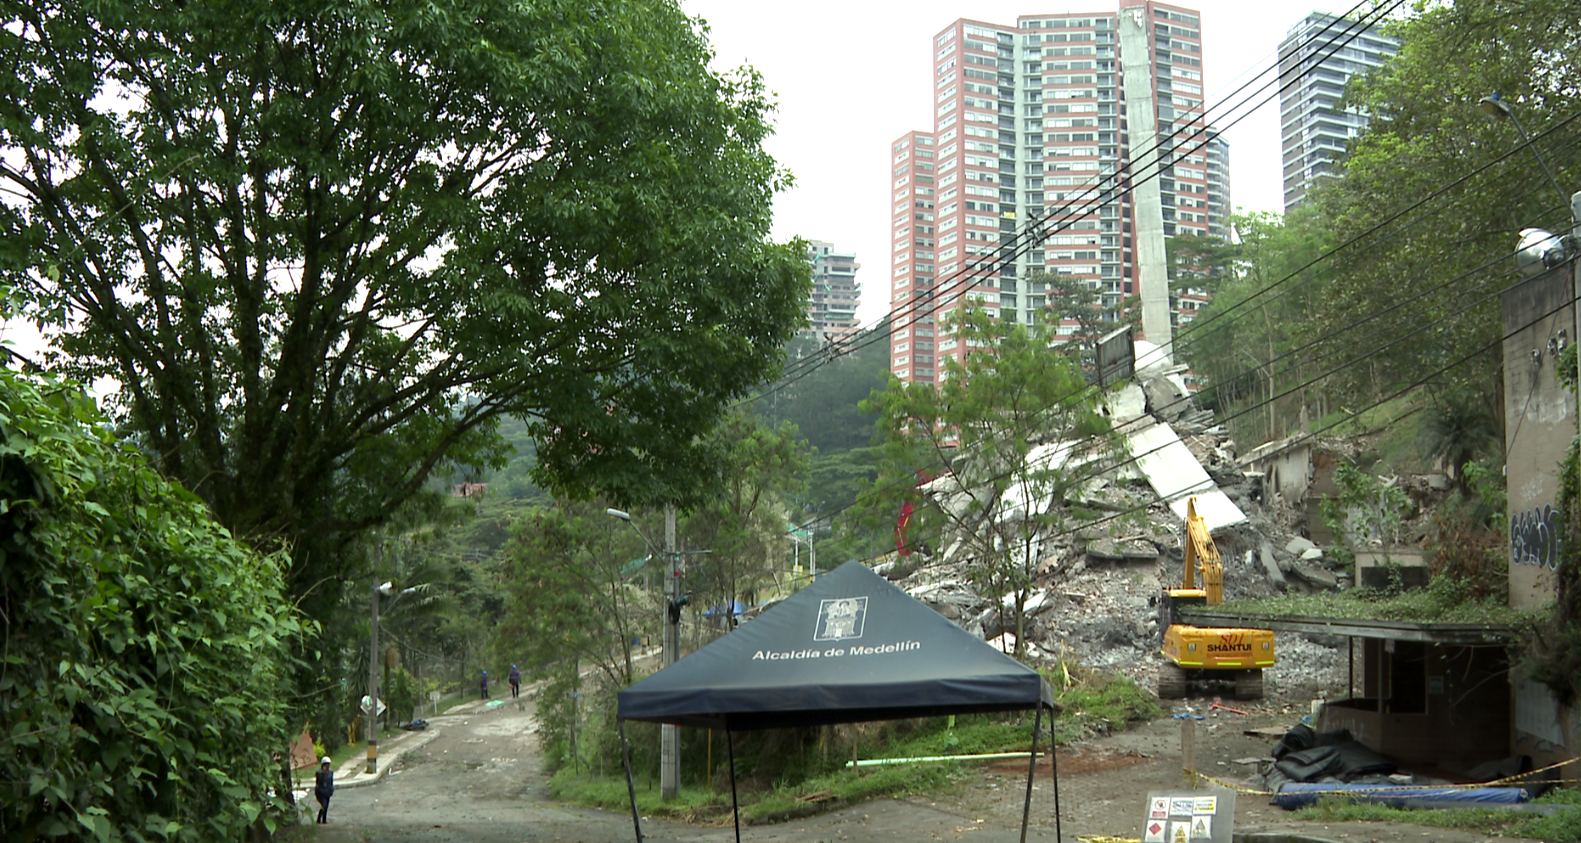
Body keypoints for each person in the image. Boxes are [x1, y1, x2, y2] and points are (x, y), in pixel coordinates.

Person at [314, 757, 334, 823]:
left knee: (326, 806)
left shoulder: (331, 773)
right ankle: (319, 818)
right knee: (324, 804)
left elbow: (331, 782)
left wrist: (331, 789)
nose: (327, 766)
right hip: (320, 792)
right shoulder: (319, 773)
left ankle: (324, 820)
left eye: (328, 764)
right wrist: (323, 773)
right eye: (326, 764)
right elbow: (318, 782)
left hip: (327, 791)